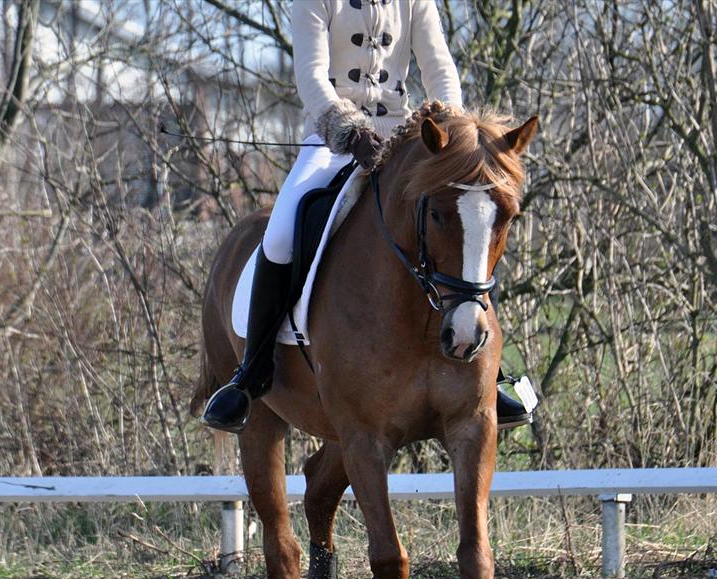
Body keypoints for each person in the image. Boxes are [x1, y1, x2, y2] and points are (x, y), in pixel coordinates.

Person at [203, 0, 531, 433]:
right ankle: (251, 371)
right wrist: (348, 130)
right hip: (332, 140)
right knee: (282, 232)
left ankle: (491, 374)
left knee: (463, 217)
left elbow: (440, 68)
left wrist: (452, 138)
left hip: (406, 138)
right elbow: (312, 77)